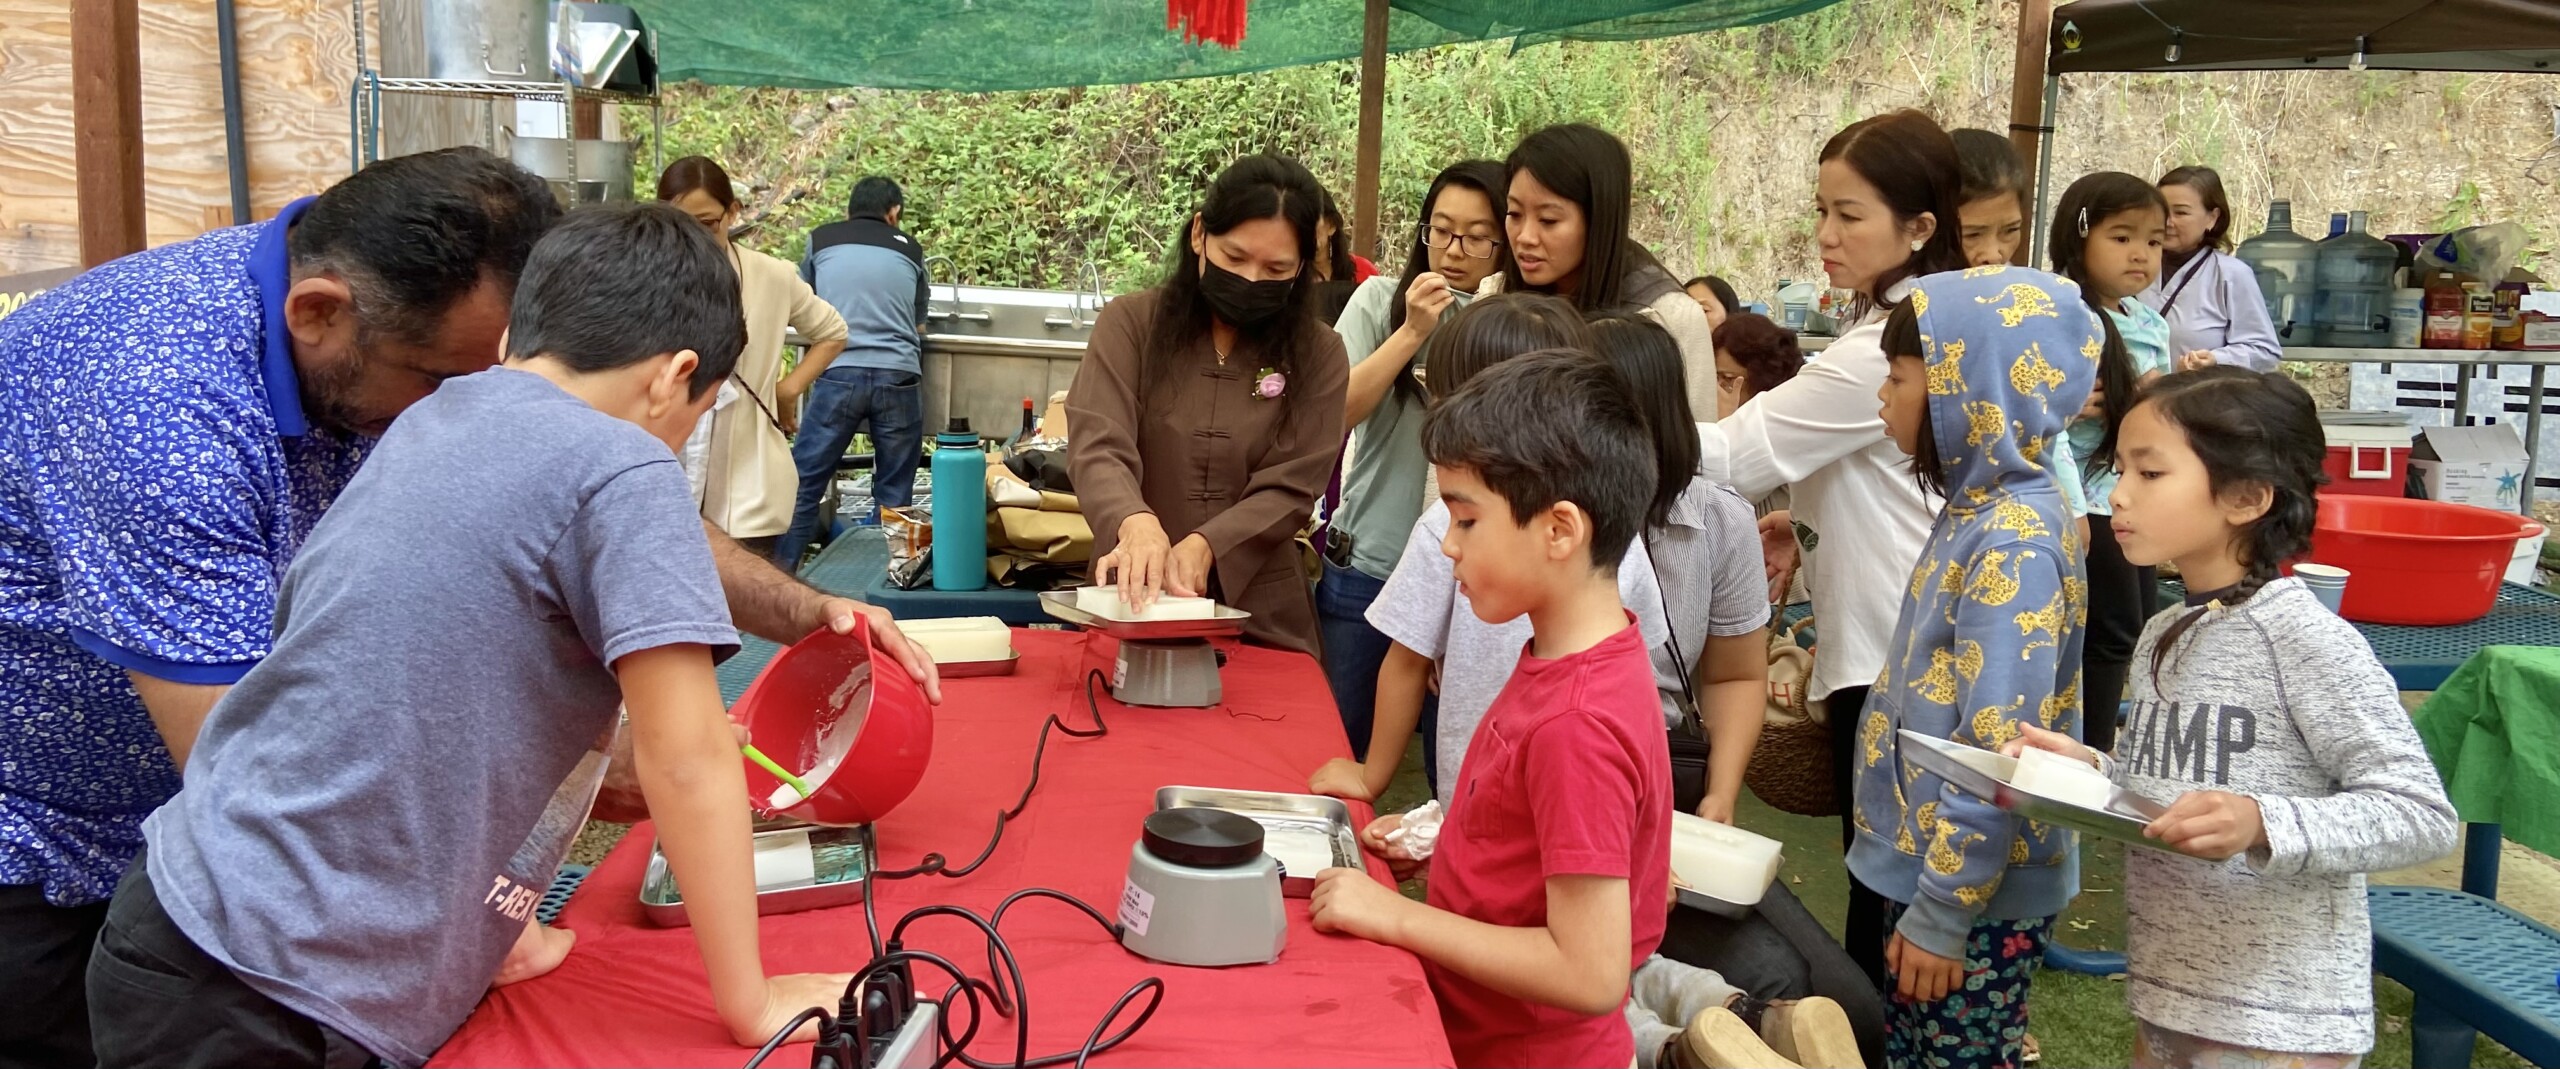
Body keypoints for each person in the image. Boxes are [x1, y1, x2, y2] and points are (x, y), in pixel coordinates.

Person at [0, 148, 933, 1069]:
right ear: (673, 373)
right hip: (259, 976)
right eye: (700, 408)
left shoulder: (434, 415)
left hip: (177, 914)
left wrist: (488, 930)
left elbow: (374, 668)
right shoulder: (627, 463)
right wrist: (750, 1000)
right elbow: (686, 760)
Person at [2007, 367, 2458, 1069]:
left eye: (2150, 472)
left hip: (2282, 1023)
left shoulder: (2306, 640)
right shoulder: (2163, 630)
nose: (2117, 494)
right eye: (2117, 468)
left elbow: (2419, 811)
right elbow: (2183, 784)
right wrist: (2094, 771)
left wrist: (2260, 822)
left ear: (2246, 496)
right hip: (2171, 997)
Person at [1306, 351, 1671, 1069]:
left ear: (1560, 529)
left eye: (1466, 520)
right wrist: (1458, 860)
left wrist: (1399, 917)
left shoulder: (1578, 722)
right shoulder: (1566, 655)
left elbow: (1589, 972)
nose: (1448, 545)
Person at [1691, 109, 1969, 989]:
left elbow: (1736, 454)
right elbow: (1882, 476)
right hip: (1893, 642)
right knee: (1877, 881)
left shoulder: (1881, 345)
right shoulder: (1911, 322)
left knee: (1888, 896)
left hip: (1896, 653)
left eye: (1850, 215)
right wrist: (1799, 526)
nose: (1825, 234)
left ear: (1919, 227)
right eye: (1821, 210)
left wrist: (1604, 411)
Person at [1586, 311, 1877, 1069]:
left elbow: (1738, 673)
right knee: (1771, 980)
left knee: (1853, 1003)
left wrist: (1720, 795)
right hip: (1590, 818)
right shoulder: (1551, 521)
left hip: (1679, 806)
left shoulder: (1714, 516)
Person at [1858, 266, 2098, 1069]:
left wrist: (1943, 911)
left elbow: (1999, 747)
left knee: (1957, 1055)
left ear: (1972, 391)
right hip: (1942, 878)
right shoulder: (1981, 508)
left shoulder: (2016, 537)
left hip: (1970, 895)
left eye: (1898, 378)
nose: (1884, 399)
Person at [1307, 293, 1665, 804]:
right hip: (1471, 787)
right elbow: (1406, 661)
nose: (1455, 544)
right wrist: (1373, 775)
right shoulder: (1448, 528)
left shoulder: (1608, 540)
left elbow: (1641, 675)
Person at [1068, 155, 1349, 656]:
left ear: (1302, 269)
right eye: (1235, 258)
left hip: (1261, 615)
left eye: (1276, 269)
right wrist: (1133, 521)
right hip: (1131, 599)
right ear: (1200, 234)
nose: (1251, 279)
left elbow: (1290, 486)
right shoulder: (1130, 324)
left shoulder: (1321, 353)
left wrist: (1208, 546)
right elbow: (1098, 444)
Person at [1319, 159, 1507, 770]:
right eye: (1442, 230)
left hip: (1468, 581)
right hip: (1368, 563)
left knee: (1453, 761)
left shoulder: (1511, 328)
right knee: (1338, 738)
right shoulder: (1379, 299)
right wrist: (1410, 331)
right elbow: (1334, 411)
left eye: (1478, 237)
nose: (1455, 251)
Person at [657, 157, 850, 561]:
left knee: (749, 609)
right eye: (681, 224)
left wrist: (789, 387)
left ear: (733, 212)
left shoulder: (771, 276)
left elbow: (833, 331)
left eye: (708, 224)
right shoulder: (644, 277)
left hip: (749, 489)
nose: (696, 235)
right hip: (664, 475)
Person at [2048, 172, 2175, 755]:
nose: (2141, 253)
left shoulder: (2150, 322)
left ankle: (2111, 747)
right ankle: (2089, 754)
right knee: (2109, 635)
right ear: (2079, 239)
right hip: (2086, 503)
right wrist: (2072, 508)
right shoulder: (2062, 314)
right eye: (2122, 237)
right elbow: (2048, 427)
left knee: (2139, 626)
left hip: (2131, 497)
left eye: (2153, 240)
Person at [1491, 123, 1720, 419]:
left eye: (1548, 220)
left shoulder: (1667, 317)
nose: (1525, 237)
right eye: (1514, 214)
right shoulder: (1495, 297)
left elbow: (1696, 448)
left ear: (1599, 220)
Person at [775, 176, 932, 568]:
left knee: (804, 484)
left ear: (849, 210)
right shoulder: (910, 248)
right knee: (895, 492)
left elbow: (802, 307)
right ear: (893, 213)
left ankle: (780, 579)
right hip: (897, 376)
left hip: (836, 371)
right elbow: (918, 326)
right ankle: (888, 587)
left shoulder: (822, 239)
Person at [2142, 166, 2284, 372]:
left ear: (2212, 218)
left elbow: (2265, 351)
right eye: (2161, 211)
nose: (2167, 222)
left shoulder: (2231, 274)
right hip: (2130, 401)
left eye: (2180, 212)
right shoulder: (2133, 264)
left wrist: (2216, 359)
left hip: (2198, 399)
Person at [1951, 128, 2030, 268]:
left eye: (2010, 230)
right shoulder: (1910, 289)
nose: (1994, 256)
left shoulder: (2022, 287)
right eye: (1972, 235)